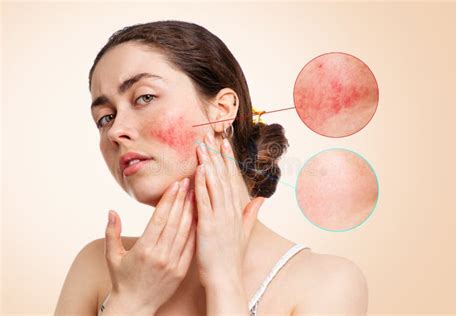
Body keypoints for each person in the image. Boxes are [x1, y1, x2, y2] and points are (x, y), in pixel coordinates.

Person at [54, 20, 368, 316]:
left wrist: (224, 280)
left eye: (144, 97)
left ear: (222, 109)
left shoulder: (327, 283)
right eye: (104, 117)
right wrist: (130, 300)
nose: (114, 131)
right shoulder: (97, 267)